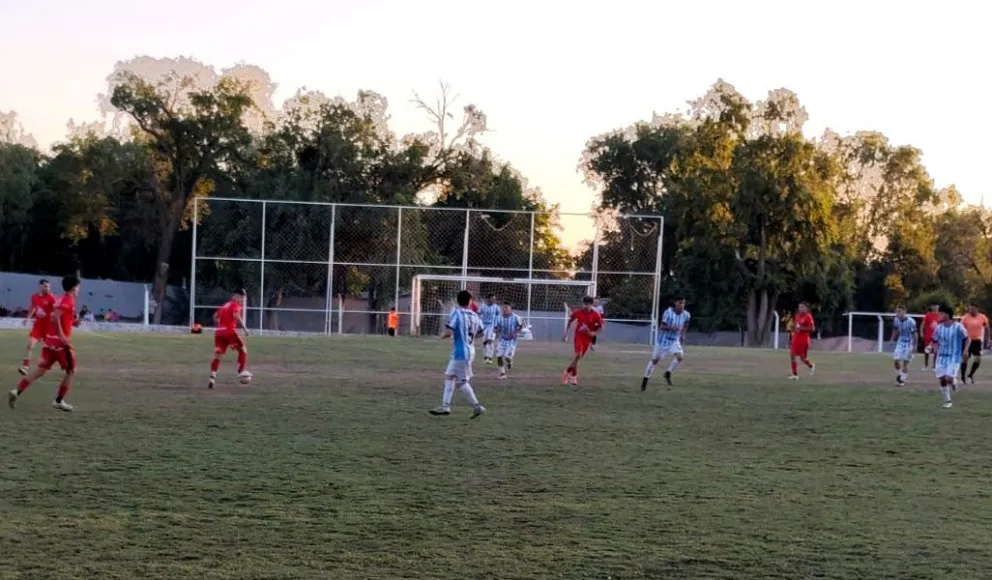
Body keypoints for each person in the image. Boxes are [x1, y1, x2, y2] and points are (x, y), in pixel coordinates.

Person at [9, 275, 81, 412]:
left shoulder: (60, 298)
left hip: (49, 341)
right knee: (71, 371)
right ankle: (58, 401)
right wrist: (61, 335)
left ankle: (16, 391)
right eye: (78, 287)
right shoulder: (68, 300)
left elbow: (59, 316)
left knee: (40, 370)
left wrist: (74, 322)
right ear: (74, 287)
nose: (79, 290)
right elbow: (54, 317)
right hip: (60, 343)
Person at [430, 290, 485, 418]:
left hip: (461, 352)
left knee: (461, 382)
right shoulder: (475, 315)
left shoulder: (457, 313)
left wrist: (441, 336)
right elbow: (482, 333)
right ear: (470, 301)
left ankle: (477, 407)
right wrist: (468, 337)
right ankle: (445, 406)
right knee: (449, 376)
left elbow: (450, 332)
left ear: (458, 300)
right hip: (469, 350)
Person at [641, 297, 690, 390]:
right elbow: (662, 326)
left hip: (674, 341)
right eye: (680, 302)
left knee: (680, 357)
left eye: (683, 303)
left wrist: (683, 333)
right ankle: (645, 380)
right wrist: (672, 328)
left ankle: (668, 373)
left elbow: (687, 323)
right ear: (675, 303)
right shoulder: (668, 313)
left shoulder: (686, 314)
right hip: (663, 341)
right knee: (655, 360)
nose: (682, 305)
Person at [208, 289, 252, 389]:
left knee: (217, 356)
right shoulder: (235, 305)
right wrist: (245, 329)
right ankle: (241, 371)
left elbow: (215, 316)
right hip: (229, 332)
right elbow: (236, 316)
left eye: (243, 298)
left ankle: (212, 378)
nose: (242, 300)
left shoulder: (225, 305)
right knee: (243, 348)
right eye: (241, 297)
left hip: (219, 333)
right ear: (235, 296)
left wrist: (220, 325)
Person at [931, 304, 968, 408]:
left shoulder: (958, 327)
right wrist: (933, 347)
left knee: (948, 378)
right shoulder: (938, 328)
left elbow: (967, 338)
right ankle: (948, 401)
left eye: (941, 313)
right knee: (942, 379)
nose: (939, 316)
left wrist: (965, 350)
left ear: (947, 314)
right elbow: (934, 340)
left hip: (954, 357)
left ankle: (953, 381)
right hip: (941, 357)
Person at [561, 296, 603, 385]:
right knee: (578, 354)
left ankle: (572, 376)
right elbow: (570, 320)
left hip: (587, 338)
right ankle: (568, 374)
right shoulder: (578, 313)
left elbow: (601, 327)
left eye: (588, 304)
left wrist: (593, 333)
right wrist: (565, 334)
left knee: (578, 358)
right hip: (578, 336)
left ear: (591, 305)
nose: (586, 306)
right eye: (585, 304)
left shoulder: (596, 314)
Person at [19, 279, 56, 376]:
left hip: (48, 328)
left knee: (50, 348)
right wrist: (27, 318)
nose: (48, 288)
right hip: (38, 326)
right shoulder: (34, 296)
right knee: (30, 345)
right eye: (46, 286)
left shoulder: (52, 298)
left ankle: (49, 364)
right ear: (40, 286)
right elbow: (33, 307)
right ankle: (25, 367)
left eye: (49, 286)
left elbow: (56, 311)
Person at [959, 303, 990, 384]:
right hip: (966, 341)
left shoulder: (982, 317)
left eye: (973, 309)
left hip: (977, 341)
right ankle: (963, 378)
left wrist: (988, 339)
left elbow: (987, 328)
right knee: (965, 359)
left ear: (977, 309)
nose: (971, 310)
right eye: (970, 309)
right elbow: (960, 329)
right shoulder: (965, 318)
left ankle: (970, 375)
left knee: (978, 359)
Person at [494, 302, 524, 379]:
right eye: (503, 308)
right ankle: (502, 374)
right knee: (499, 356)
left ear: (511, 309)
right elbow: (496, 327)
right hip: (502, 339)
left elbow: (521, 326)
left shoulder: (516, 318)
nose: (504, 309)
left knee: (507, 356)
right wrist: (496, 331)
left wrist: (516, 332)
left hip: (512, 340)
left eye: (506, 308)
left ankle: (510, 361)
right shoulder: (498, 318)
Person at [788, 302, 816, 380]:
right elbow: (797, 327)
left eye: (802, 307)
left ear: (806, 308)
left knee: (802, 358)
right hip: (796, 339)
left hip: (803, 340)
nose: (800, 308)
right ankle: (795, 375)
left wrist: (801, 328)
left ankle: (811, 365)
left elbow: (812, 328)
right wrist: (793, 327)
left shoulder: (808, 317)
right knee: (792, 355)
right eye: (799, 307)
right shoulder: (797, 316)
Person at [890, 306, 917, 385]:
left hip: (909, 343)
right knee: (896, 361)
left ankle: (902, 381)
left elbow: (915, 334)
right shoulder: (896, 319)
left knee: (905, 362)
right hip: (900, 342)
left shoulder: (911, 321)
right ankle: (900, 373)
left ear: (904, 312)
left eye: (899, 311)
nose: (898, 313)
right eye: (897, 311)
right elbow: (895, 329)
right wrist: (892, 339)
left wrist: (915, 345)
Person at [479, 294, 501, 364]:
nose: (494, 300)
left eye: (494, 299)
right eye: (492, 299)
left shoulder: (496, 307)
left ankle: (490, 357)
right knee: (485, 342)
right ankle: (486, 357)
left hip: (492, 326)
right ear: (488, 299)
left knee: (490, 341)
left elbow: (498, 317)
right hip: (484, 326)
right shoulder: (483, 306)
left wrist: (497, 327)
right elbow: (478, 314)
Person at [920, 303, 940, 371]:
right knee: (926, 351)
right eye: (933, 305)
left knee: (936, 351)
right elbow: (922, 324)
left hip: (937, 337)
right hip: (928, 336)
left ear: (938, 306)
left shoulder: (940, 315)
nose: (935, 307)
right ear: (931, 306)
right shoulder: (928, 315)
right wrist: (921, 332)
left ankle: (934, 366)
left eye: (936, 305)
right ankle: (925, 365)